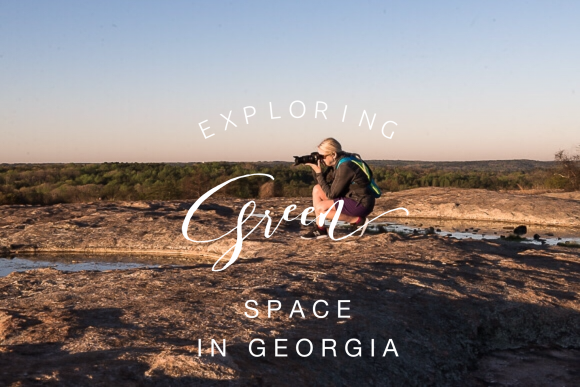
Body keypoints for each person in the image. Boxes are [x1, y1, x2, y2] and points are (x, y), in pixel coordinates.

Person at [300, 138, 376, 240]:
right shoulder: (337, 162)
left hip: (361, 203)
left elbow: (332, 194)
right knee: (317, 189)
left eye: (322, 156)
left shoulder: (345, 166)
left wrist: (318, 173)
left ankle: (357, 221)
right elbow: (323, 184)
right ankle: (320, 229)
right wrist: (317, 169)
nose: (320, 159)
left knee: (321, 208)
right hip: (351, 197)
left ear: (334, 154)